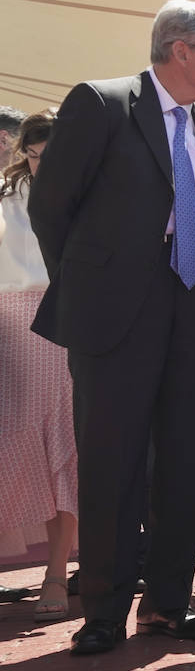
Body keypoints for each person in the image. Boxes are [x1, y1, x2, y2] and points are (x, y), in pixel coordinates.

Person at [28, 0, 195, 655]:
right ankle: (104, 611)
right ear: (181, 50)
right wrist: (94, 283)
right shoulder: (100, 102)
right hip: (114, 315)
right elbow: (50, 207)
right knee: (111, 462)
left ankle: (168, 606)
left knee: (184, 462)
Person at [0, 107, 78, 623]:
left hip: (60, 317)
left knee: (62, 443)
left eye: (48, 154)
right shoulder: (7, 196)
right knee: (16, 443)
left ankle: (56, 571)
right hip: (7, 321)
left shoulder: (84, 194)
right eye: (30, 153)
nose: (38, 163)